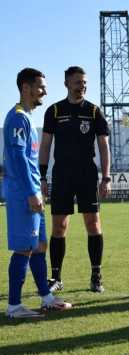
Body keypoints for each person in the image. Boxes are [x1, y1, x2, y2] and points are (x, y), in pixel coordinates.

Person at [3, 68, 71, 318]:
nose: (45, 91)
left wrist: (39, 187)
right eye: (40, 86)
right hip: (23, 193)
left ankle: (46, 297)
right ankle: (14, 306)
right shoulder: (18, 118)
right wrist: (32, 191)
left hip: (34, 192)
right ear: (25, 88)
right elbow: (19, 159)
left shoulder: (29, 118)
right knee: (23, 248)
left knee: (40, 245)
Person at [39, 66, 111, 293]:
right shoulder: (54, 111)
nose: (82, 86)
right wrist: (42, 176)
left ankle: (96, 276)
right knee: (59, 226)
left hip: (87, 175)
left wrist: (106, 177)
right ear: (67, 83)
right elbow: (45, 145)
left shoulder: (93, 111)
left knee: (93, 223)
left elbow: (103, 146)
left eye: (84, 82)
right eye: (78, 82)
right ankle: (56, 277)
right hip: (62, 175)